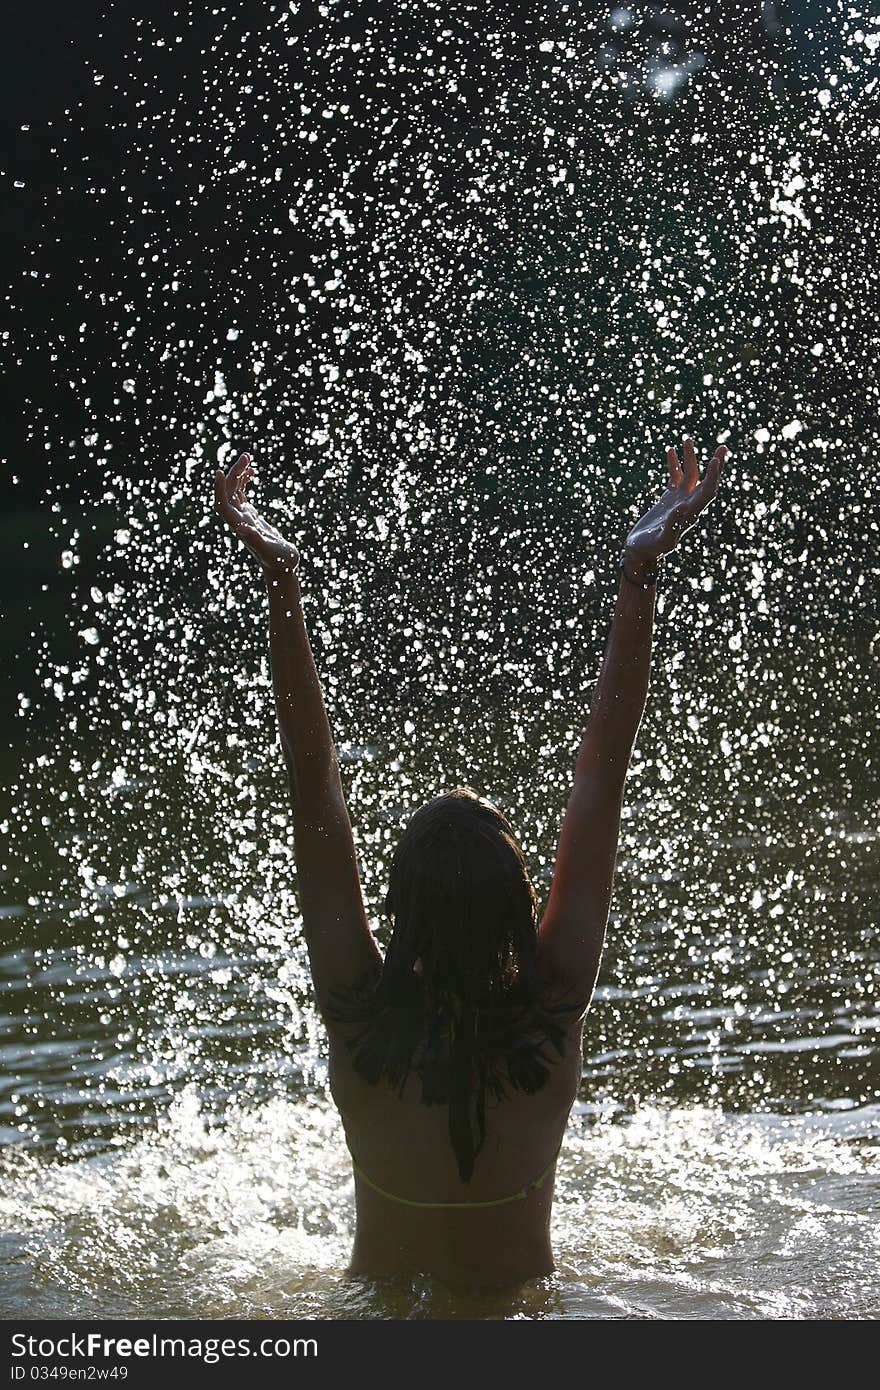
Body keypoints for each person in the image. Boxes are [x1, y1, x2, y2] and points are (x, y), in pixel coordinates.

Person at [214, 436, 727, 1288]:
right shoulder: (552, 1010)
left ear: (399, 906)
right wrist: (638, 573)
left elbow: (316, 789)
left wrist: (282, 580)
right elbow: (603, 777)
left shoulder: (358, 1017)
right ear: (521, 901)